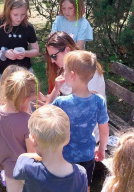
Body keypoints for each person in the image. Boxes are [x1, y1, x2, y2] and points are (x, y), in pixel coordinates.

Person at [47, 51, 109, 190]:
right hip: (87, 154)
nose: (63, 74)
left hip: (65, 156)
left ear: (72, 75)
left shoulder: (61, 102)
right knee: (84, 185)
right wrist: (101, 149)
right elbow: (104, 131)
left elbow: (44, 113)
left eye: (65, 71)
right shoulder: (99, 101)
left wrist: (56, 89)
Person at [46, 31, 105, 142]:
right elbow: (49, 106)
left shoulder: (89, 72)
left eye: (54, 56)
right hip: (69, 125)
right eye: (50, 57)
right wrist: (56, 89)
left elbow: (87, 112)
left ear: (67, 50)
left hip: (86, 134)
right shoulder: (66, 68)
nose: (52, 60)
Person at [13, 105, 88, 192]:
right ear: (67, 138)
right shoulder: (81, 174)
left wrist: (35, 155)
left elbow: (18, 168)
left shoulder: (27, 166)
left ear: (33, 139)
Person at [0, 70, 37, 192]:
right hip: (26, 171)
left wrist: (0, 159)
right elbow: (31, 153)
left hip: (9, 171)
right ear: (24, 100)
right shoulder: (27, 120)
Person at [0, 0, 39, 86]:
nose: (19, 18)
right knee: (4, 100)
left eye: (23, 14)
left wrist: (25, 53)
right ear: (8, 10)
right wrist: (4, 53)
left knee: (28, 99)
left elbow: (36, 50)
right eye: (15, 15)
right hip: (5, 75)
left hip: (25, 74)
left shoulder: (28, 27)